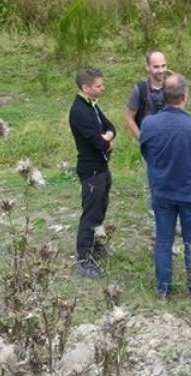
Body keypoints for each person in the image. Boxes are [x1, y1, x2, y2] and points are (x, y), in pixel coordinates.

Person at [139, 73, 191, 300]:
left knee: (163, 240)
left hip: (161, 190)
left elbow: (146, 154)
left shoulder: (149, 124)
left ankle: (163, 289)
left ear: (163, 96)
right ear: (185, 97)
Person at [68, 67, 116, 280]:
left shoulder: (92, 106)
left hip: (102, 168)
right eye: (98, 86)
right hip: (91, 170)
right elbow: (98, 143)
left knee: (100, 211)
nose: (102, 88)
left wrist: (108, 136)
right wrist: (106, 141)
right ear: (85, 88)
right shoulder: (79, 111)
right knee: (90, 214)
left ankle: (96, 247)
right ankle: (84, 259)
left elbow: (110, 126)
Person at [125, 50, 168, 139]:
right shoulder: (140, 89)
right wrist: (141, 139)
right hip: (149, 140)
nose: (161, 70)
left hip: (170, 140)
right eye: (156, 67)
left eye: (163, 66)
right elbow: (129, 117)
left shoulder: (173, 86)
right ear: (147, 67)